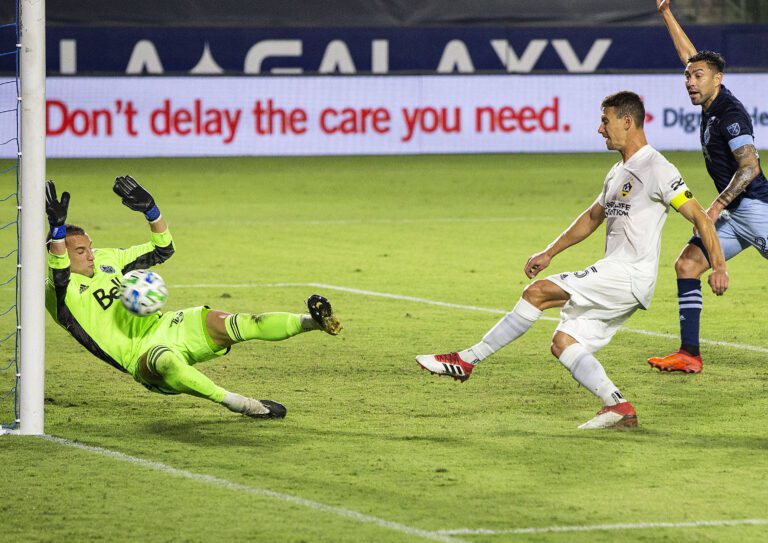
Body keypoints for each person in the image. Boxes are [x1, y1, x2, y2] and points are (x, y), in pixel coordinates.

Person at [416, 91, 728, 429]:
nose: (599, 129)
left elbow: (700, 217)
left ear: (627, 122)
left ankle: (467, 360)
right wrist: (549, 252)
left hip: (628, 274)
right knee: (563, 343)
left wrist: (719, 265)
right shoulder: (618, 171)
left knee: (536, 293)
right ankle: (618, 406)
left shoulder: (657, 167)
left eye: (605, 121)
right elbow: (593, 217)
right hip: (620, 278)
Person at [44, 176, 342, 419]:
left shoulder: (108, 259)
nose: (91, 256)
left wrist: (152, 211)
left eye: (90, 247)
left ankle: (312, 322)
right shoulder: (57, 292)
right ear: (63, 254)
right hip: (139, 356)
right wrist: (56, 232)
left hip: (167, 326)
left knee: (232, 322)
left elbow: (163, 249)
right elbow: (59, 270)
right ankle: (242, 404)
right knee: (166, 362)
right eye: (81, 252)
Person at [647, 0, 768, 373]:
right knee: (687, 264)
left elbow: (749, 167)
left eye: (696, 76)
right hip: (734, 213)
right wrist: (667, 13)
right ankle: (689, 354)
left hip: (756, 210)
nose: (689, 82)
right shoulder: (710, 100)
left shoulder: (730, 113)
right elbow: (690, 56)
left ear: (717, 78)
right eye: (687, 76)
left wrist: (715, 207)